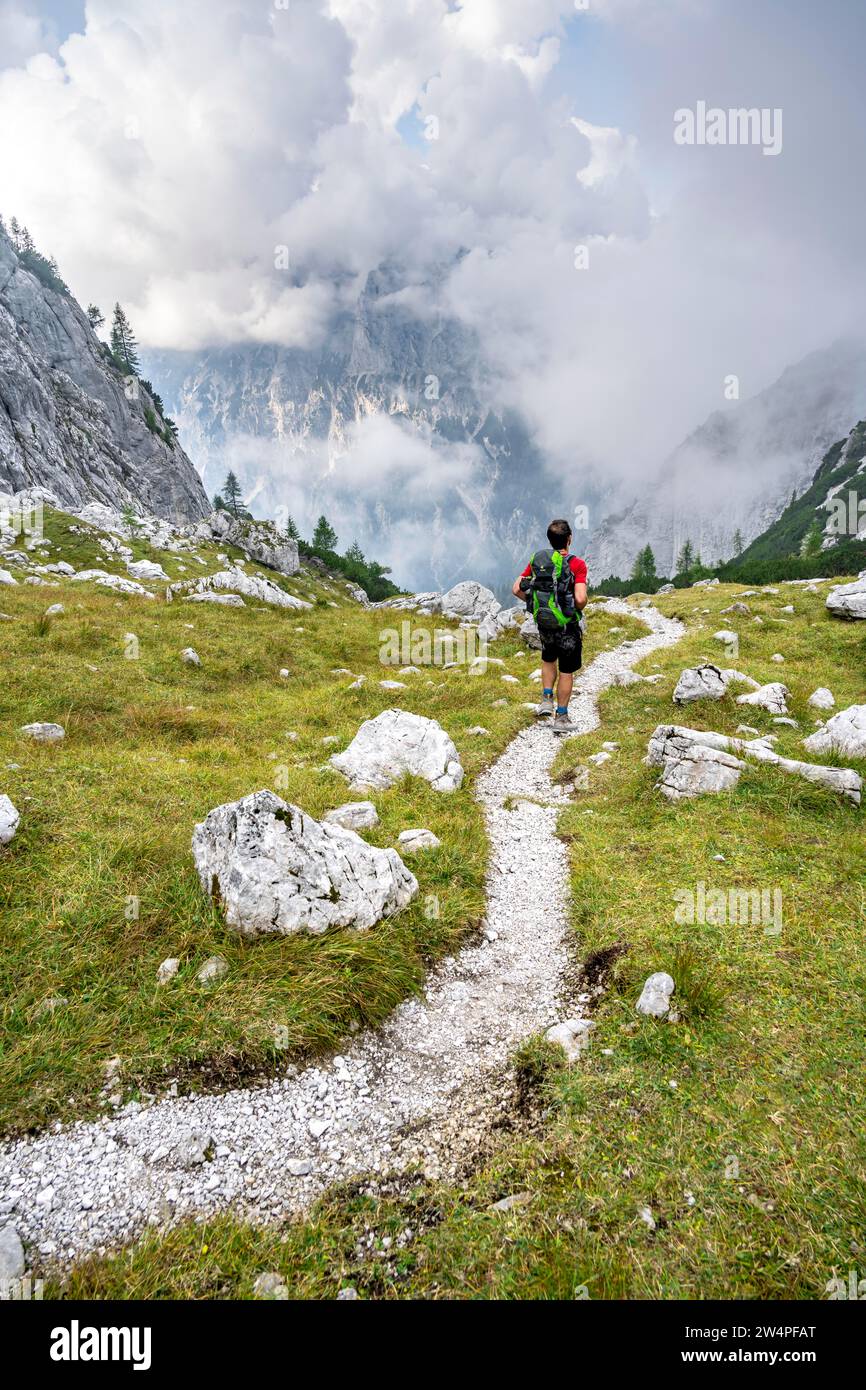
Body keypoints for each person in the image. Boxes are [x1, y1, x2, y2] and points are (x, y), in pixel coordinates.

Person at [513, 518, 588, 733]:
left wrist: (534, 605)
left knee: (548, 658)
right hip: (567, 627)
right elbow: (581, 599)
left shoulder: (539, 560)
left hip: (544, 624)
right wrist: (576, 605)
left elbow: (516, 588)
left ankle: (546, 699)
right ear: (569, 539)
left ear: (550, 539)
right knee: (566, 670)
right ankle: (561, 718)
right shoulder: (576, 564)